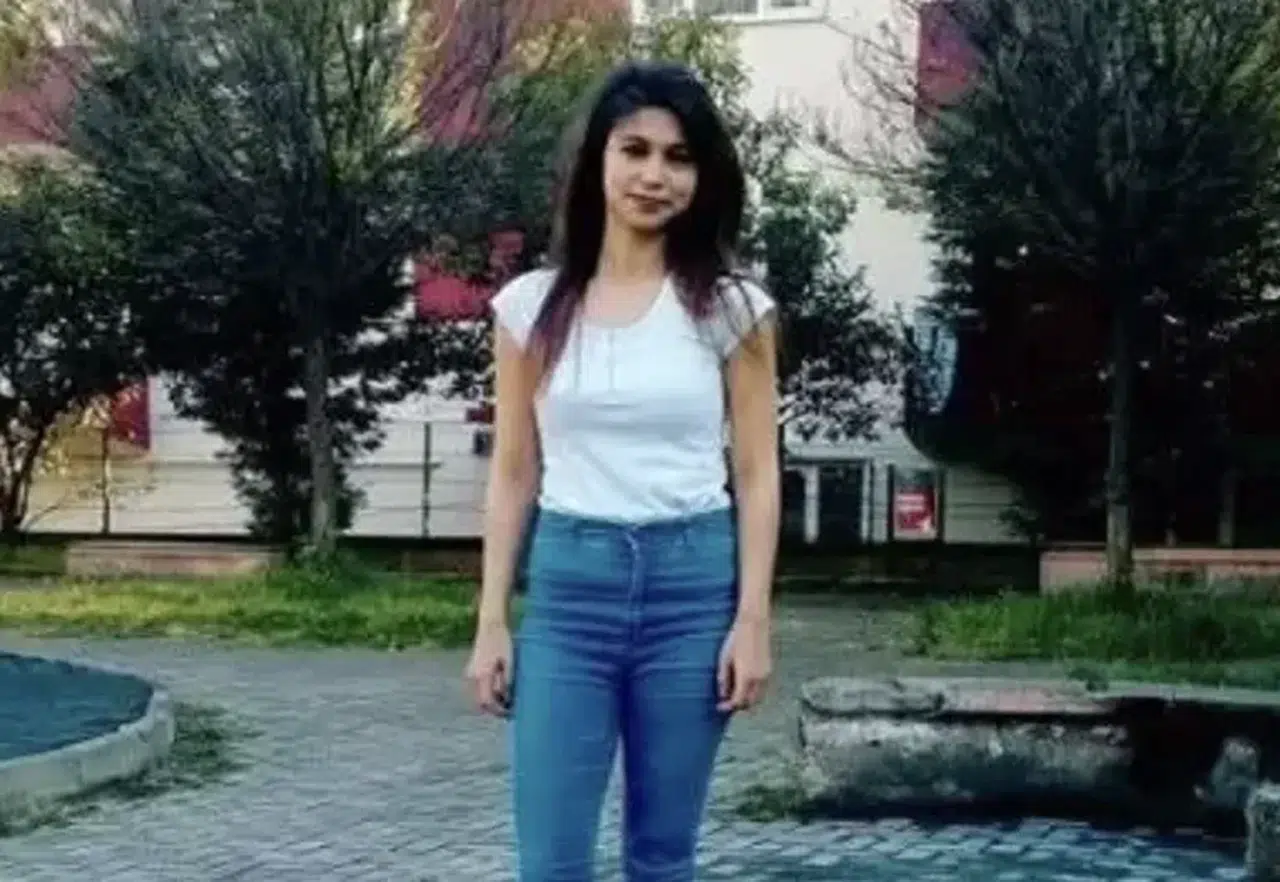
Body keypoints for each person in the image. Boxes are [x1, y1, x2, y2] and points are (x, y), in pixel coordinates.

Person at [464, 59, 781, 882]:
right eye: (634, 150)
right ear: (597, 160)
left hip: (692, 591)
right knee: (551, 861)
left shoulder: (733, 309)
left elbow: (756, 472)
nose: (654, 175)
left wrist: (752, 620)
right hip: (571, 594)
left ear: (701, 177)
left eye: (679, 158)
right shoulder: (532, 308)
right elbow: (513, 471)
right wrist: (492, 619)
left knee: (662, 858)